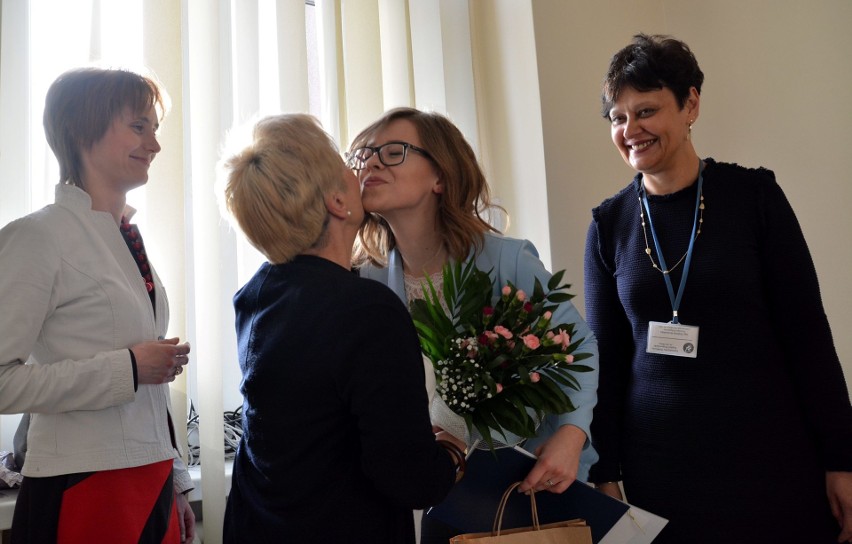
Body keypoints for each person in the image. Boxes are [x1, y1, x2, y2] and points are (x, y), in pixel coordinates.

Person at [585, 33, 852, 543]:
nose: (630, 130)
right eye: (617, 118)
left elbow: (808, 336)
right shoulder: (608, 223)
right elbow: (607, 363)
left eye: (646, 110)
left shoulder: (753, 198)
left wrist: (843, 458)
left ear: (690, 105)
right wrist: (604, 472)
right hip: (656, 476)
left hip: (769, 463)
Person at [349, 107, 600, 543]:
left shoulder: (507, 258)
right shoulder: (365, 280)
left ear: (440, 177)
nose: (370, 163)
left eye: (392, 152)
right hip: (443, 489)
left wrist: (571, 435)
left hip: (533, 481)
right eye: (363, 155)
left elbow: (577, 346)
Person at [218, 113, 464, 543]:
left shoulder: (256, 294)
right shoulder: (366, 310)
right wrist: (452, 455)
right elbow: (409, 478)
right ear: (337, 203)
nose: (362, 170)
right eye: (345, 165)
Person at [0, 67, 195, 543]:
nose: (154, 144)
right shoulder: (36, 237)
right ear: (81, 128)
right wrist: (127, 368)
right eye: (138, 126)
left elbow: (151, 376)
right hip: (84, 487)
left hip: (150, 483)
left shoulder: (129, 238)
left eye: (155, 128)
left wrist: (176, 480)